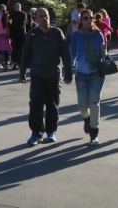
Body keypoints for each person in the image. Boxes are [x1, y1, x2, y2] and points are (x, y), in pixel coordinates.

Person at [20, 8, 72, 145]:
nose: (44, 19)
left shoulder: (57, 33)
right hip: (37, 74)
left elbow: (65, 54)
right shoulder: (32, 34)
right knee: (35, 104)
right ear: (36, 19)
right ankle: (36, 133)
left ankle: (51, 131)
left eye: (46, 16)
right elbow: (25, 54)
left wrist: (68, 73)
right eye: (41, 16)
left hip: (53, 75)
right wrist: (22, 73)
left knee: (52, 104)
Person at [70, 9, 106, 145]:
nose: (88, 20)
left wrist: (104, 51)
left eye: (91, 18)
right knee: (82, 105)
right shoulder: (76, 35)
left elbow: (104, 55)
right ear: (81, 20)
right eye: (85, 18)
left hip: (96, 73)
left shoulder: (98, 34)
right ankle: (87, 119)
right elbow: (72, 54)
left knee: (94, 103)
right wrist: (68, 70)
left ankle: (94, 132)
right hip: (81, 74)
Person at [9, 3, 28, 69]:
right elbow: (25, 22)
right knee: (21, 48)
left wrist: (11, 27)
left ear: (15, 7)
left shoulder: (11, 14)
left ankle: (14, 61)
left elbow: (9, 22)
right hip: (22, 32)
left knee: (14, 47)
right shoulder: (24, 14)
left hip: (14, 33)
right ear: (20, 7)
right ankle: (20, 62)